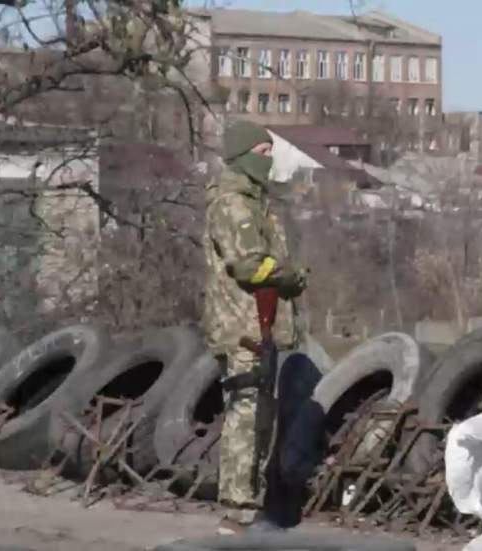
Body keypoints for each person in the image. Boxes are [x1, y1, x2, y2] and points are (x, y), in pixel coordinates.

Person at [202, 120, 308, 526]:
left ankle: (251, 504)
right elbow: (249, 265)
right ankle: (237, 509)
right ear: (244, 156)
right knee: (246, 416)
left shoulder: (255, 202)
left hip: (259, 327)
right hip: (241, 326)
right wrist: (290, 276)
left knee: (261, 417)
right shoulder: (233, 204)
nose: (270, 161)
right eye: (264, 153)